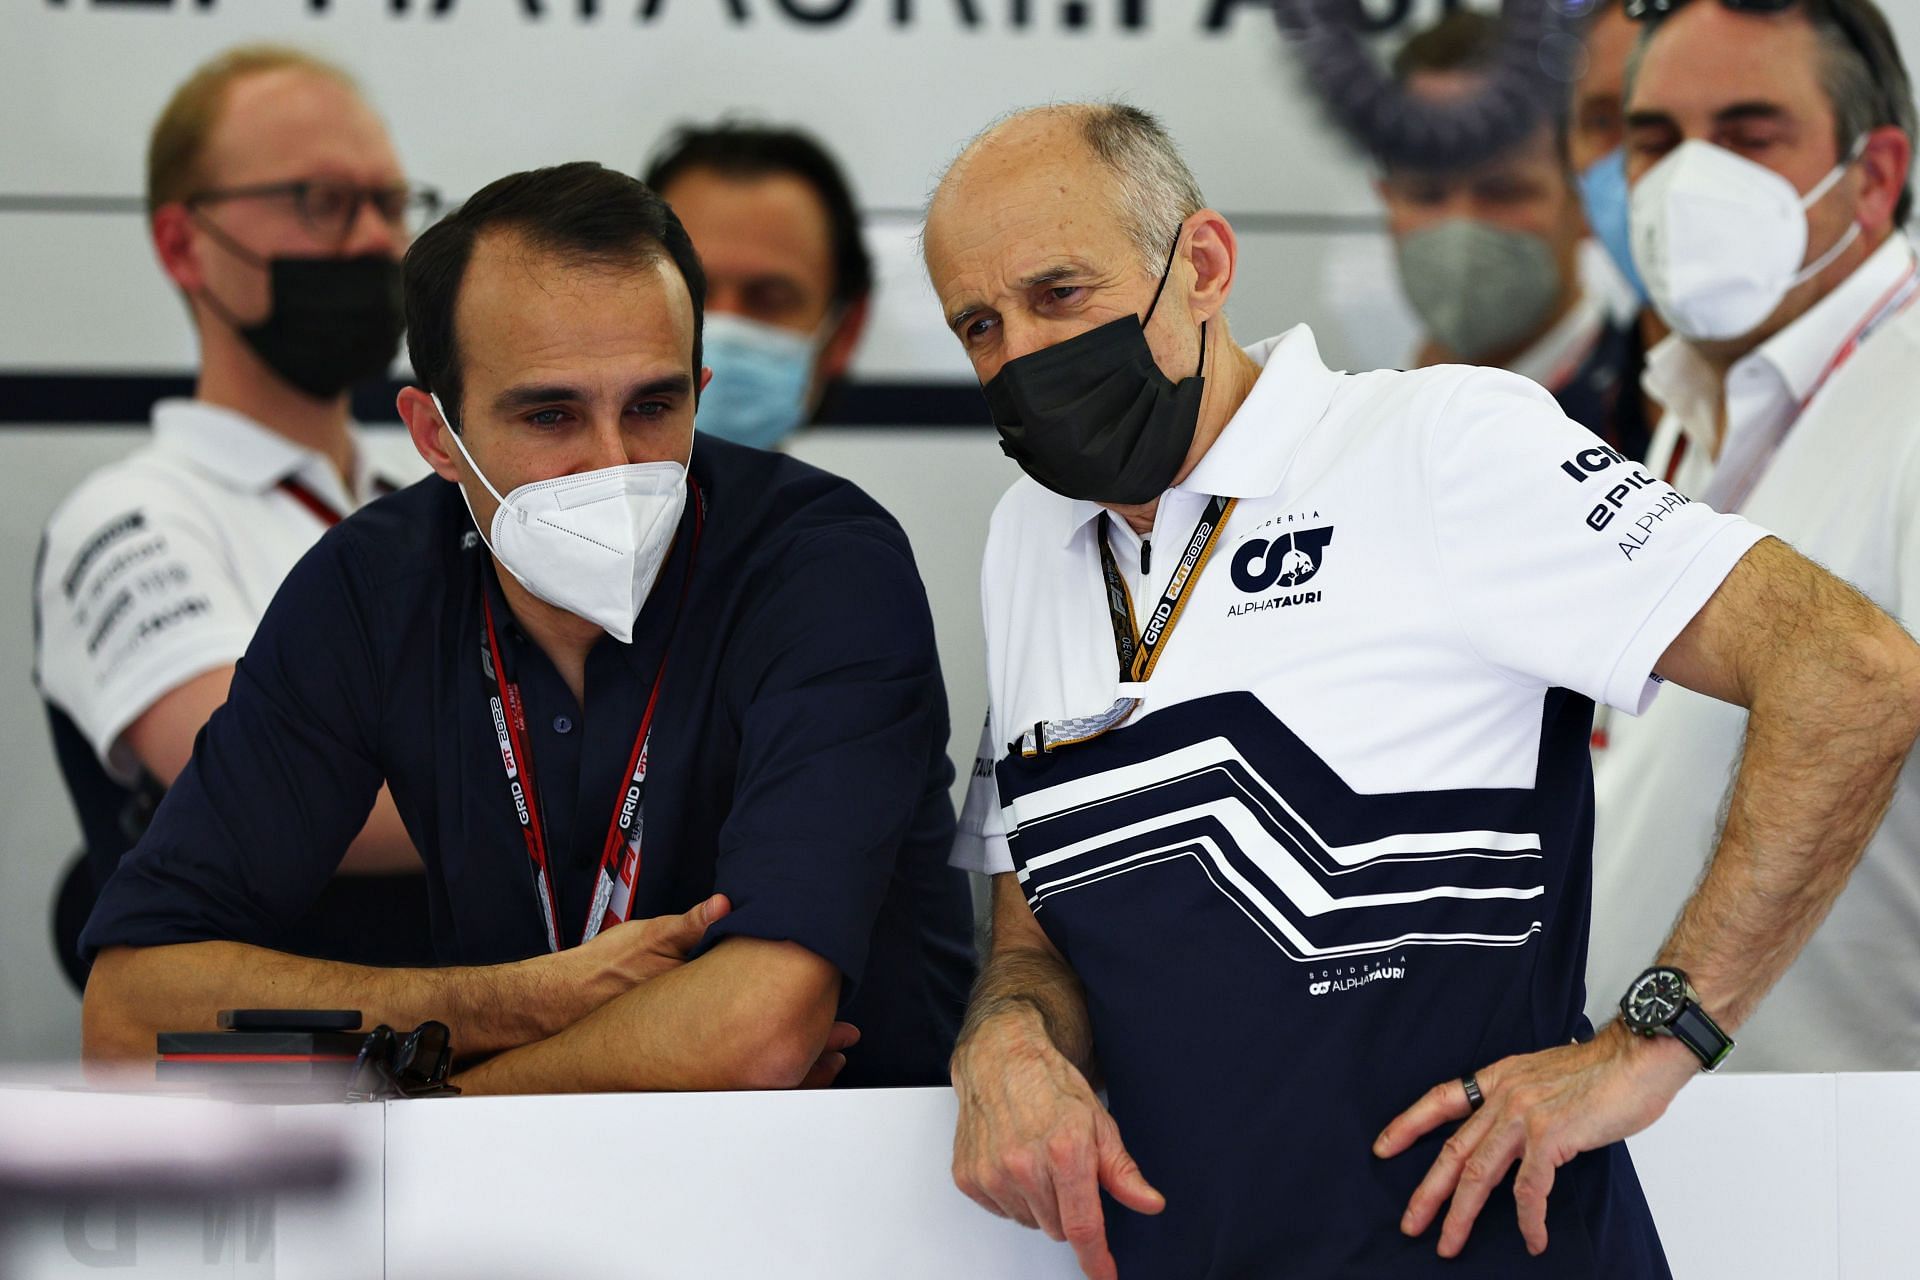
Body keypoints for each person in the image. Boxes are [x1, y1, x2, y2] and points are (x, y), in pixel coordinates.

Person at [927, 102, 1920, 1278]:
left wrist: (1659, 1036)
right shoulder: (1024, 541)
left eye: (1061, 296)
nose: (1025, 359)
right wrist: (1004, 1034)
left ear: (1201, 264)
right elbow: (1036, 937)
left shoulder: (1440, 446)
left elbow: (1851, 669)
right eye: (981, 326)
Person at [79, 161, 976, 1092]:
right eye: (551, 414)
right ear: (435, 436)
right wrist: (526, 1001)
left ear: (698, 392)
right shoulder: (369, 585)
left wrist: (447, 1097)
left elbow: (759, 1032)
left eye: (653, 406)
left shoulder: (823, 566)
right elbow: (128, 1011)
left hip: (847, 1187)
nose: (613, 462)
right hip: (513, 1205)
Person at [35, 46, 437, 982]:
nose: (375, 240)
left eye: (389, 203)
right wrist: (593, 776)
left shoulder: (439, 504)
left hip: (497, 1074)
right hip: (274, 1090)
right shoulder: (128, 519)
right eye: (320, 201)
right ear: (183, 245)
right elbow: (276, 787)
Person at [1587, 0, 1920, 1072]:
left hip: (1855, 1174)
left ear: (1873, 179)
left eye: (1748, 135)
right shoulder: (1689, 411)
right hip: (1688, 1163)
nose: (1689, 183)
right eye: (1656, 142)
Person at [1377, 9, 1652, 460]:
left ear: (1581, 196)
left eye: (1503, 192)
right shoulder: (1349, 428)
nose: (1461, 226)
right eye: (1427, 194)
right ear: (1387, 199)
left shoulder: (1658, 421)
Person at [643, 122, 871, 450]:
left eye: (770, 299)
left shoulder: (848, 504)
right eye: (689, 290)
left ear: (845, 330)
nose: (722, 326)